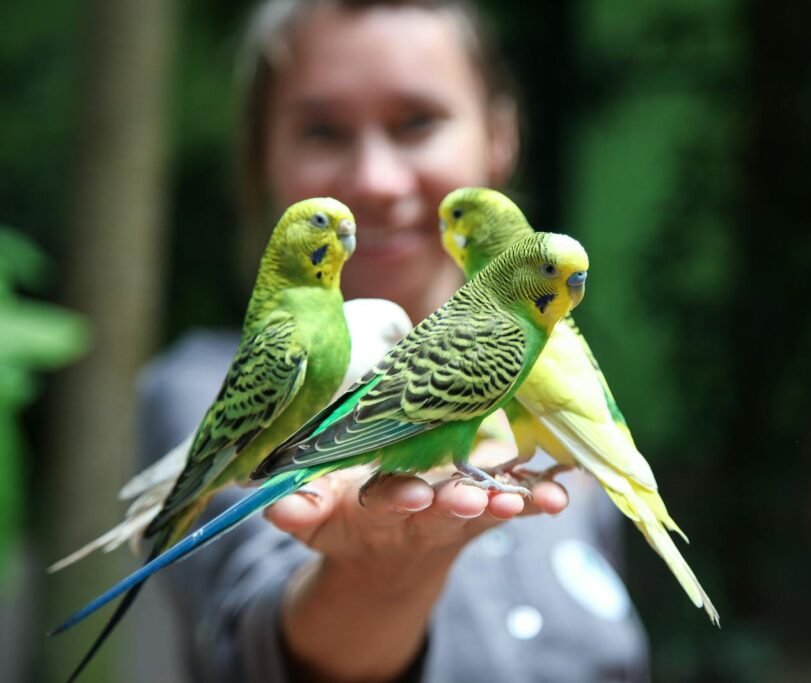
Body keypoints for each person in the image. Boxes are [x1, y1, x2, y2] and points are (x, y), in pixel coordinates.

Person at [139, 1, 650, 681]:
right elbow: (252, 624)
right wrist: (381, 575)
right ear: (263, 156)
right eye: (323, 131)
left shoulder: (552, 369)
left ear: (501, 135)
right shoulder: (205, 379)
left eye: (417, 123)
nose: (374, 182)